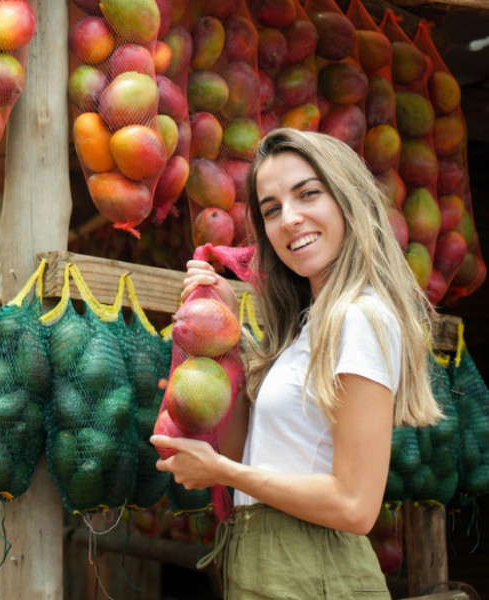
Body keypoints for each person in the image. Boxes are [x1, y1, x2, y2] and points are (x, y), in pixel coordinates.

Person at [151, 128, 443, 599]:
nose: (289, 219)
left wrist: (222, 474)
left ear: (348, 199)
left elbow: (355, 507)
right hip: (269, 565)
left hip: (313, 571)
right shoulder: (308, 330)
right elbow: (245, 447)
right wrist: (221, 329)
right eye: (271, 209)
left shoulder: (360, 317)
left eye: (308, 194)